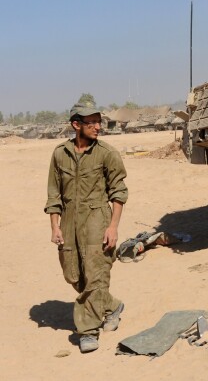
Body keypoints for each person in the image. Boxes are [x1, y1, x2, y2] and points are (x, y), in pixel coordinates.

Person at [45, 101, 128, 353]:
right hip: (69, 220)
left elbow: (119, 193)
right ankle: (112, 306)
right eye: (91, 122)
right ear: (76, 125)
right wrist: (55, 226)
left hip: (97, 219)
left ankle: (88, 331)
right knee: (73, 275)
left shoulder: (107, 153)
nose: (97, 127)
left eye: (98, 121)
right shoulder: (60, 154)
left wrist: (113, 227)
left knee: (95, 275)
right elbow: (53, 194)